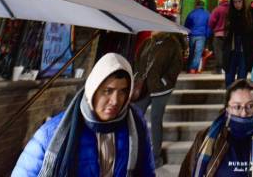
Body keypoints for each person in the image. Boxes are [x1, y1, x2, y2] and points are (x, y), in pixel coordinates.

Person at [13, 52, 156, 176]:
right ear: (93, 89)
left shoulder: (136, 126)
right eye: (107, 91)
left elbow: (146, 172)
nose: (115, 101)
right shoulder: (51, 133)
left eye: (123, 91)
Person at [179, 78, 253, 176]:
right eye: (237, 107)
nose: (244, 113)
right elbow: (186, 173)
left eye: (250, 106)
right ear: (227, 108)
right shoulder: (205, 137)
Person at [134, 32, 185, 168]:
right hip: (145, 87)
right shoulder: (147, 42)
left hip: (162, 89)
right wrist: (138, 76)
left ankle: (156, 157)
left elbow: (177, 65)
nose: (155, 30)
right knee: (135, 115)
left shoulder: (172, 44)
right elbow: (138, 60)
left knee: (155, 119)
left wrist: (164, 81)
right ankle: (135, 151)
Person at [223, 0, 253, 86]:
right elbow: (227, 32)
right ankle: (230, 99)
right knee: (229, 78)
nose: (237, 4)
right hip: (232, 51)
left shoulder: (252, 13)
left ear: (244, 1)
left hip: (244, 51)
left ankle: (239, 99)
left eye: (239, 1)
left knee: (241, 79)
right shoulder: (231, 14)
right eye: (235, 2)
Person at [184, 0, 211, 73]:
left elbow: (186, 25)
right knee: (198, 52)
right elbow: (209, 26)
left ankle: (188, 67)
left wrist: (187, 33)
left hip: (192, 35)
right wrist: (207, 35)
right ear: (203, 6)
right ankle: (193, 68)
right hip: (202, 35)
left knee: (191, 52)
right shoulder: (207, 14)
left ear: (196, 5)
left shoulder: (191, 13)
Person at [208, 0, 230, 74]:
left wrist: (214, 28)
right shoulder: (231, 9)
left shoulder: (218, 9)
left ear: (221, 0)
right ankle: (226, 68)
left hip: (218, 34)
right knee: (226, 51)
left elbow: (211, 21)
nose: (218, 0)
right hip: (228, 34)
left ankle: (218, 69)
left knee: (218, 52)